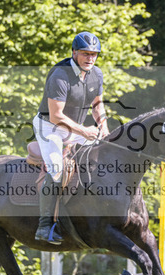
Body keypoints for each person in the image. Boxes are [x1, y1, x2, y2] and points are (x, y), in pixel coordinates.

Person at [32, 31, 110, 244]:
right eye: (85, 53)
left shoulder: (96, 74)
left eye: (94, 54)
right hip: (50, 126)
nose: (90, 58)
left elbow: (97, 105)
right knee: (57, 169)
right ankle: (44, 225)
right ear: (74, 52)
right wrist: (84, 131)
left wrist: (103, 127)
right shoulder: (60, 75)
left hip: (74, 128)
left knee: (105, 152)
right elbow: (56, 116)